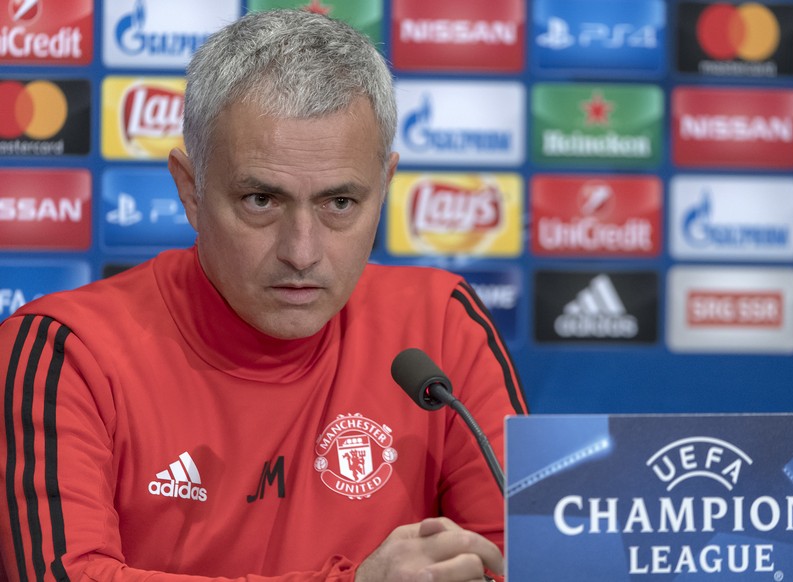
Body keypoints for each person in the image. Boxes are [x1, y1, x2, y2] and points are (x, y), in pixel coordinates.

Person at [0, 9, 526, 582]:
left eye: (340, 203)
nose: (302, 251)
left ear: (385, 186)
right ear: (190, 190)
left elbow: (524, 560)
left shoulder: (440, 324)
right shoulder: (66, 351)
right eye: (260, 200)